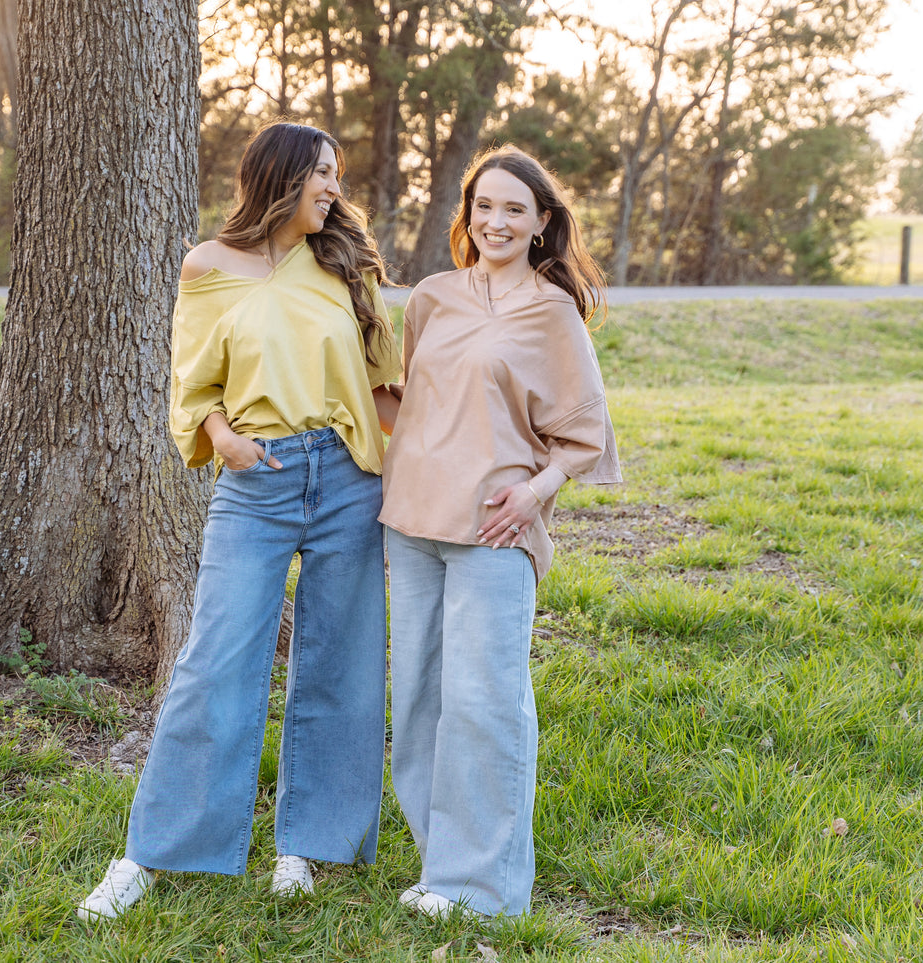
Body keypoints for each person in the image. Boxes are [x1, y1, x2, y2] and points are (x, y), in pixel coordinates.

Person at [77, 121, 402, 920]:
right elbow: (194, 387)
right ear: (281, 177)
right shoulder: (208, 267)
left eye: (337, 174)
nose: (334, 187)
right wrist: (228, 441)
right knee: (214, 662)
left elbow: (387, 385)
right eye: (322, 173)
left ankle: (309, 846)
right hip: (256, 482)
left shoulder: (341, 263)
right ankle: (150, 852)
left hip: (350, 476)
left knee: (341, 662)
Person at [380, 145, 622, 918]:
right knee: (420, 700)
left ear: (542, 222)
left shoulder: (552, 310)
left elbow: (583, 433)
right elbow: (413, 401)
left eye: (514, 208)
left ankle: (482, 889)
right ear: (467, 213)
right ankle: (439, 868)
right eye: (484, 205)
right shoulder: (432, 297)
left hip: (495, 526)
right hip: (411, 520)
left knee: (485, 703)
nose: (496, 220)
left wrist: (535, 492)